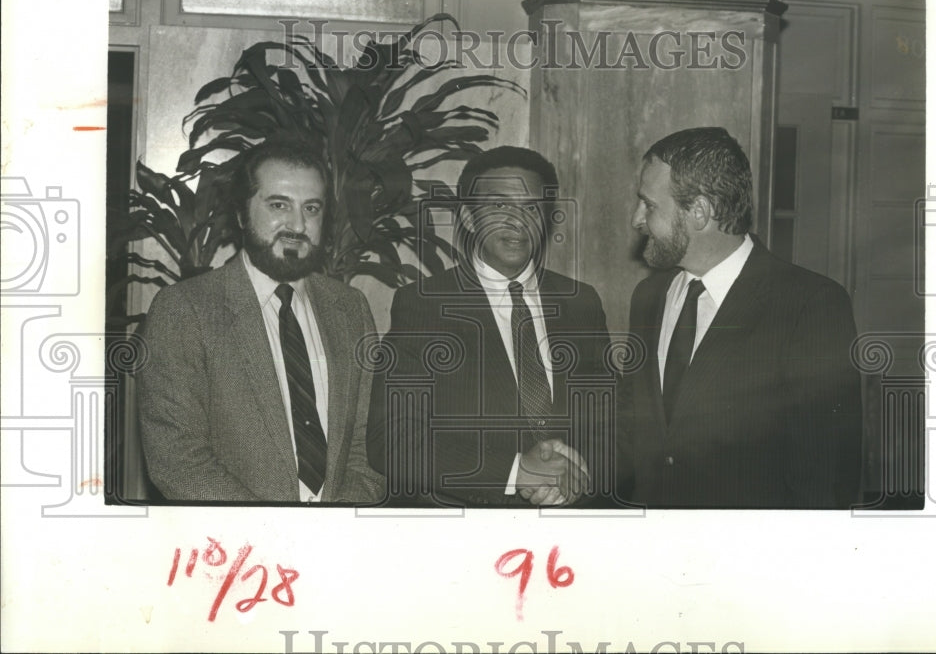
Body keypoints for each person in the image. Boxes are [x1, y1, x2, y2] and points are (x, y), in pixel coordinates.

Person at [619, 127, 861, 508]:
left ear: (698, 212)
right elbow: (640, 431)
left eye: (649, 206)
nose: (637, 220)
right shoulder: (648, 298)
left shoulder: (809, 306)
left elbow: (824, 476)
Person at [136, 139, 384, 503]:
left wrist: (336, 525)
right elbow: (178, 461)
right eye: (279, 205)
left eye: (312, 208)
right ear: (241, 214)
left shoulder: (350, 309)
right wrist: (274, 532)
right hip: (244, 549)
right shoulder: (185, 310)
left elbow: (369, 444)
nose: (298, 224)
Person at [367, 147, 615, 507]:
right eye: (500, 207)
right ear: (468, 217)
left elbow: (615, 423)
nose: (518, 222)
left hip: (572, 528)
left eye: (531, 208)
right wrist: (516, 472)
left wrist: (577, 472)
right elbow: (392, 440)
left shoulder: (581, 303)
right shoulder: (424, 305)